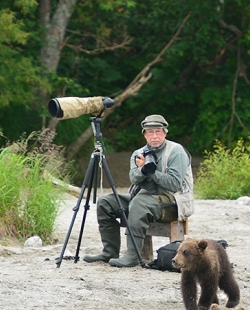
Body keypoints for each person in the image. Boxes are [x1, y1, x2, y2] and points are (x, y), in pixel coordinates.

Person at [83, 114, 194, 267]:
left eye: (158, 131)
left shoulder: (176, 151)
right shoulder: (139, 153)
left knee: (139, 203)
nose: (154, 136)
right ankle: (109, 251)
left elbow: (174, 184)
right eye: (150, 132)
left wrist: (151, 172)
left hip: (174, 202)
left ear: (165, 132)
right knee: (106, 202)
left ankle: (132, 255)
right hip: (145, 197)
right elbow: (134, 179)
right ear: (144, 134)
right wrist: (142, 170)